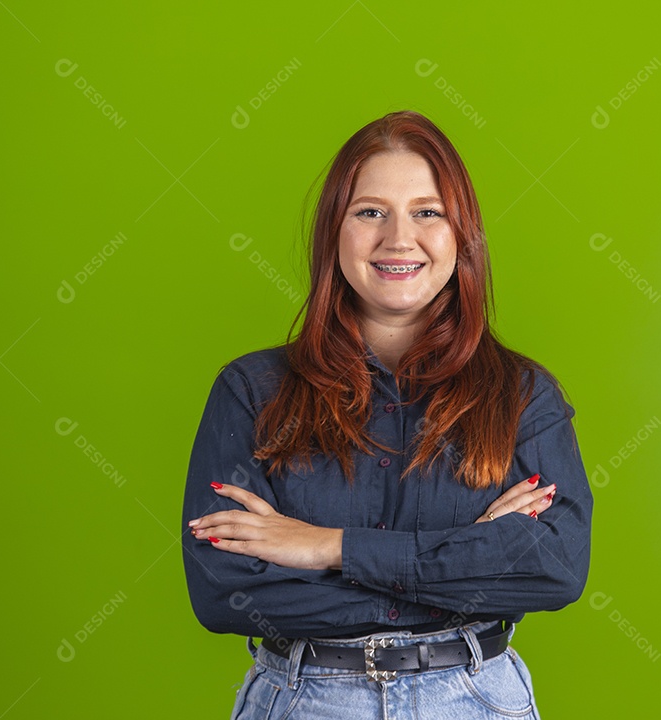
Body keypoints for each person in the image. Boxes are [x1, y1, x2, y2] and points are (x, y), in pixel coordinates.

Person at [182, 109, 593, 719]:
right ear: (334, 233)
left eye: (428, 212)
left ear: (462, 234)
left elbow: (556, 569)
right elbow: (225, 592)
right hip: (303, 701)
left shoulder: (522, 394)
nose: (399, 239)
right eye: (370, 211)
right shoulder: (252, 390)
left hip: (475, 700)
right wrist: (463, 557)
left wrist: (324, 547)